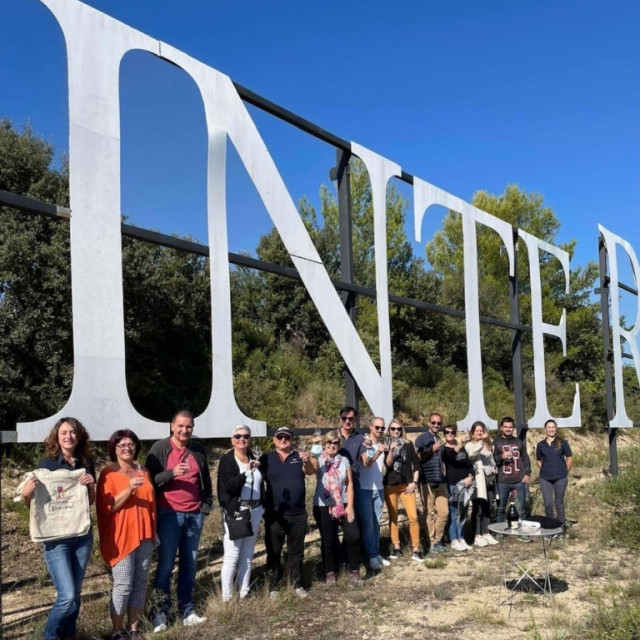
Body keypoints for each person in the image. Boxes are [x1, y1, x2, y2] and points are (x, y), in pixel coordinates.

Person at [20, 417, 96, 640]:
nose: (68, 436)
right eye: (64, 432)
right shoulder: (47, 464)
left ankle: (69, 636)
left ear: (79, 435)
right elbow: (39, 505)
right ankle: (50, 636)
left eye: (72, 432)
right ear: (57, 436)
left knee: (76, 596)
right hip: (56, 539)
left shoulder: (86, 461)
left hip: (82, 535)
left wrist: (91, 485)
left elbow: (87, 502)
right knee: (67, 596)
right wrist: (26, 493)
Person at [145, 410, 212, 632]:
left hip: (194, 515)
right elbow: (150, 482)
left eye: (189, 427)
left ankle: (187, 611)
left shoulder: (197, 449)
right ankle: (159, 613)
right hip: (169, 515)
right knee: (165, 566)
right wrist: (172, 473)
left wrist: (206, 506)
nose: (184, 430)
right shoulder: (160, 448)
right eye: (180, 426)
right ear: (172, 426)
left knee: (189, 565)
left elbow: (207, 480)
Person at [97, 430, 156, 640]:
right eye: (121, 445)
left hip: (145, 535)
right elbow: (107, 507)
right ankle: (116, 630)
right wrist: (129, 489)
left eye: (130, 444)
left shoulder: (144, 470)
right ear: (114, 449)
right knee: (123, 585)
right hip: (122, 536)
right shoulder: (108, 473)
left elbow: (151, 502)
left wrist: (153, 531)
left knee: (140, 582)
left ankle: (134, 628)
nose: (127, 448)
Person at [259, 426, 315, 598]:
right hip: (274, 514)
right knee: (273, 551)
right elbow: (254, 479)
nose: (283, 440)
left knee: (296, 551)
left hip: (298, 513)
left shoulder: (299, 456)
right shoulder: (265, 459)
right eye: (280, 437)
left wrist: (306, 461)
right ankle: (273, 586)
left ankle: (295, 583)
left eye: (287, 437)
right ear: (274, 439)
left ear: (292, 440)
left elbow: (311, 472)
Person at [217, 425, 264, 602]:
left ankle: (244, 592)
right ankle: (227, 598)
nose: (242, 439)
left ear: (250, 439)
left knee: (248, 554)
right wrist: (246, 473)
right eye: (238, 436)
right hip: (237, 511)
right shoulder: (227, 460)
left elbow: (261, 484)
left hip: (255, 510)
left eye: (245, 436)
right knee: (232, 555)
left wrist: (263, 506)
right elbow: (227, 486)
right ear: (232, 439)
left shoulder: (254, 456)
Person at [310, 430, 361, 583]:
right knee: (329, 539)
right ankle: (330, 571)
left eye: (335, 443)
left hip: (343, 502)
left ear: (339, 445)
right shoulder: (318, 460)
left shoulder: (344, 460)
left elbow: (349, 483)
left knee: (353, 535)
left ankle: (354, 570)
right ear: (324, 444)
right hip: (324, 505)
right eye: (329, 443)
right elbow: (309, 469)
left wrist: (350, 505)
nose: (332, 445)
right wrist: (313, 448)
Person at [384, 419, 423, 561]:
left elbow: (417, 465)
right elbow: (387, 465)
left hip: (406, 485)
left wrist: (414, 482)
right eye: (393, 429)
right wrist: (391, 450)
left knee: (413, 517)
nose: (396, 431)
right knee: (393, 517)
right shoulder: (385, 445)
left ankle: (416, 549)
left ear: (402, 430)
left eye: (398, 429)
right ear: (389, 430)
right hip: (390, 484)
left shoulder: (408, 444)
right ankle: (396, 547)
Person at [356, 417, 390, 571]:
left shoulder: (381, 444)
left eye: (382, 428)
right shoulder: (365, 443)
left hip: (379, 489)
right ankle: (371, 556)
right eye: (377, 427)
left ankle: (376, 553)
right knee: (368, 524)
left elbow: (386, 465)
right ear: (370, 427)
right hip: (364, 489)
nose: (380, 430)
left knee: (376, 523)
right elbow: (366, 464)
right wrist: (377, 451)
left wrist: (390, 450)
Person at [415, 412, 448, 553]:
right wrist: (431, 450)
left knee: (444, 512)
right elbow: (418, 457)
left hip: (440, 480)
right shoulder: (422, 438)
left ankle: (438, 539)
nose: (436, 425)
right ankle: (432, 542)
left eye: (438, 423)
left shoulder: (438, 438)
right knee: (429, 513)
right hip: (427, 480)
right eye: (433, 422)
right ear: (428, 423)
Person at [464, 421, 498, 547]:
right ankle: (477, 534)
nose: (479, 433)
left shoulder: (487, 444)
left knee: (488, 507)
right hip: (478, 481)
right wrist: (482, 442)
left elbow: (491, 458)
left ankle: (486, 532)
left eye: (481, 430)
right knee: (477, 509)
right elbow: (472, 455)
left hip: (489, 479)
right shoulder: (469, 445)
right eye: (477, 431)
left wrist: (494, 468)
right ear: (472, 432)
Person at [442, 424, 474, 551]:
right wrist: (460, 445)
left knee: (463, 512)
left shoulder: (462, 449)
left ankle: (461, 538)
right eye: (447, 432)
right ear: (444, 434)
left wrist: (470, 476)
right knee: (454, 512)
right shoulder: (444, 449)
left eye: (452, 432)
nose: (450, 434)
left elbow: (468, 463)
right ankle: (453, 538)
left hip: (465, 483)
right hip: (453, 484)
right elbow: (450, 459)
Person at [536, 419, 573, 529]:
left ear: (556, 428)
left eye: (553, 427)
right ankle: (551, 528)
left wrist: (564, 471)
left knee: (559, 504)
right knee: (548, 505)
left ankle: (560, 528)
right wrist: (545, 469)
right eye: (549, 427)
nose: (551, 429)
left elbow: (569, 459)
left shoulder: (562, 442)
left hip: (560, 478)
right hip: (545, 478)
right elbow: (538, 460)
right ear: (545, 429)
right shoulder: (540, 445)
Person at [493, 416, 531, 523]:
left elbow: (525, 458)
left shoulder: (518, 442)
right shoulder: (496, 442)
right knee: (501, 508)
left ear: (513, 428)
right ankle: (500, 532)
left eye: (510, 427)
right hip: (502, 481)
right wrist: (501, 457)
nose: (508, 429)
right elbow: (491, 460)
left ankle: (522, 531)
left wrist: (527, 473)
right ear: (501, 428)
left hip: (519, 480)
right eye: (505, 427)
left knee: (521, 508)